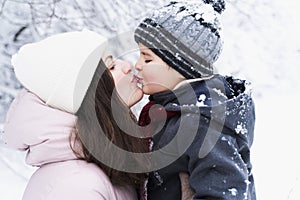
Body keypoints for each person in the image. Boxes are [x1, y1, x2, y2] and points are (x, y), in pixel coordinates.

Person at [3, 29, 149, 200]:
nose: (128, 66)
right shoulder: (77, 186)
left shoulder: (101, 167)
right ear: (87, 95)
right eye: (112, 66)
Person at [134, 0, 256, 199]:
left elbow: (224, 194)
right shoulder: (167, 111)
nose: (137, 65)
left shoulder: (202, 124)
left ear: (181, 65)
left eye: (147, 59)